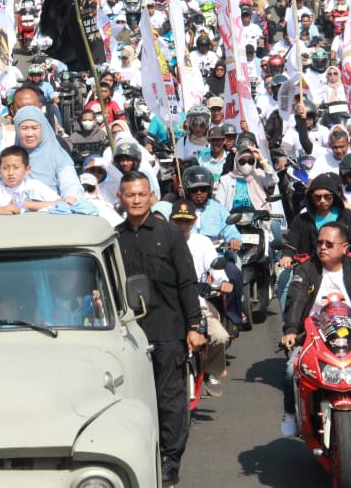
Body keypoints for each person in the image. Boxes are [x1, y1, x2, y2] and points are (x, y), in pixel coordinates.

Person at [116, 171, 205, 486]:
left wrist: (195, 325)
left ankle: (170, 461)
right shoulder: (115, 238)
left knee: (169, 398)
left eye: (142, 194)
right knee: (132, 398)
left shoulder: (169, 234)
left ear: (152, 196)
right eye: (130, 195)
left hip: (168, 328)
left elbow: (186, 281)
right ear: (120, 198)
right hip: (128, 333)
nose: (137, 200)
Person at [279, 223, 351, 436]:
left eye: (329, 244)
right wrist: (291, 331)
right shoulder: (306, 269)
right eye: (320, 243)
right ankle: (291, 414)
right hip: (313, 334)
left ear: (344, 247)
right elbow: (296, 301)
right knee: (289, 370)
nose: (322, 247)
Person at [168, 199, 232, 383]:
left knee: (220, 337)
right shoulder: (162, 242)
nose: (182, 225)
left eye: (187, 221)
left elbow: (216, 268)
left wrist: (223, 281)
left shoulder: (202, 242)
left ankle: (211, 370)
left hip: (197, 303)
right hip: (169, 305)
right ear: (171, 220)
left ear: (195, 221)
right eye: (178, 221)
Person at [14, 106, 83, 204]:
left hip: (52, 212)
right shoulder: (10, 157)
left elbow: (69, 181)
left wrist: (70, 198)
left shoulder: (57, 155)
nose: (29, 134)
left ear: (43, 128)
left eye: (35, 128)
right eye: (24, 128)